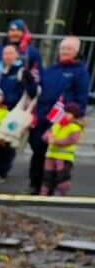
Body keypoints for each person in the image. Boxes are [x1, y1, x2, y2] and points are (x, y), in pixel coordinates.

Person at [31, 36, 89, 194]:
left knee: (56, 156)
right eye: (63, 48)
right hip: (44, 115)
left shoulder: (80, 71)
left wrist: (74, 115)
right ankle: (35, 185)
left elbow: (81, 97)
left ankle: (53, 187)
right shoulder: (52, 69)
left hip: (62, 120)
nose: (65, 51)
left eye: (69, 49)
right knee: (38, 151)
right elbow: (40, 90)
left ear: (76, 52)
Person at [40, 102, 81, 196]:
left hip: (64, 157)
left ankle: (62, 195)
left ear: (74, 116)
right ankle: (43, 195)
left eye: (69, 113)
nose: (66, 115)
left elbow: (71, 140)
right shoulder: (56, 124)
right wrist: (48, 137)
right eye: (65, 112)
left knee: (62, 177)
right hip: (50, 156)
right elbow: (45, 136)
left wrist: (55, 141)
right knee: (47, 176)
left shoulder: (75, 127)